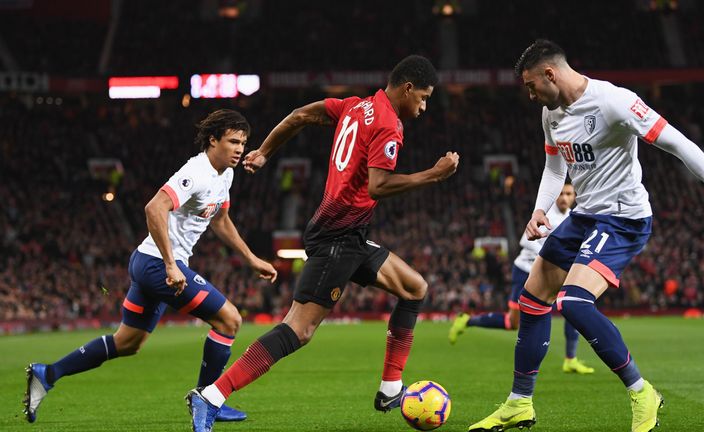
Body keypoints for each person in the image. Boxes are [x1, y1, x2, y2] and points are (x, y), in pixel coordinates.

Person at [469, 40, 704, 432]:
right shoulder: (550, 115)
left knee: (573, 303)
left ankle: (642, 392)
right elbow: (556, 170)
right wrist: (540, 208)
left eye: (531, 84)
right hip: (584, 216)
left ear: (550, 74)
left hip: (623, 219)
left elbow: (678, 142)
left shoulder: (614, 101)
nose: (530, 93)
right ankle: (519, 403)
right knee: (531, 299)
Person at [186, 55, 460, 431]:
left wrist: (266, 150)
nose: (424, 107)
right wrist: (434, 174)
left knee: (414, 288)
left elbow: (299, 115)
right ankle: (211, 395)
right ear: (407, 88)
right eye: (424, 98)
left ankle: (390, 388)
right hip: (337, 238)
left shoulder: (354, 106)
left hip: (350, 234)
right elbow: (378, 185)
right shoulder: (388, 124)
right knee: (299, 330)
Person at [23, 109, 277, 424]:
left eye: (243, 142)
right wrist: (172, 264)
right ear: (213, 140)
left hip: (148, 263)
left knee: (127, 342)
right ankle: (207, 398)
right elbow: (154, 207)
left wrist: (251, 258)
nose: (240, 148)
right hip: (158, 265)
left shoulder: (226, 173)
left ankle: (48, 373)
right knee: (229, 320)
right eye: (233, 141)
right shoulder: (196, 172)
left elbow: (221, 220)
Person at [449, 183, 594, 374]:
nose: (564, 198)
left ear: (574, 196)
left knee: (571, 305)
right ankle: (467, 320)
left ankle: (570, 359)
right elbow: (525, 240)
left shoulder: (572, 218)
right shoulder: (546, 213)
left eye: (568, 194)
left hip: (555, 270)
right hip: (526, 270)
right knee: (513, 323)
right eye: (560, 193)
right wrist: (552, 252)